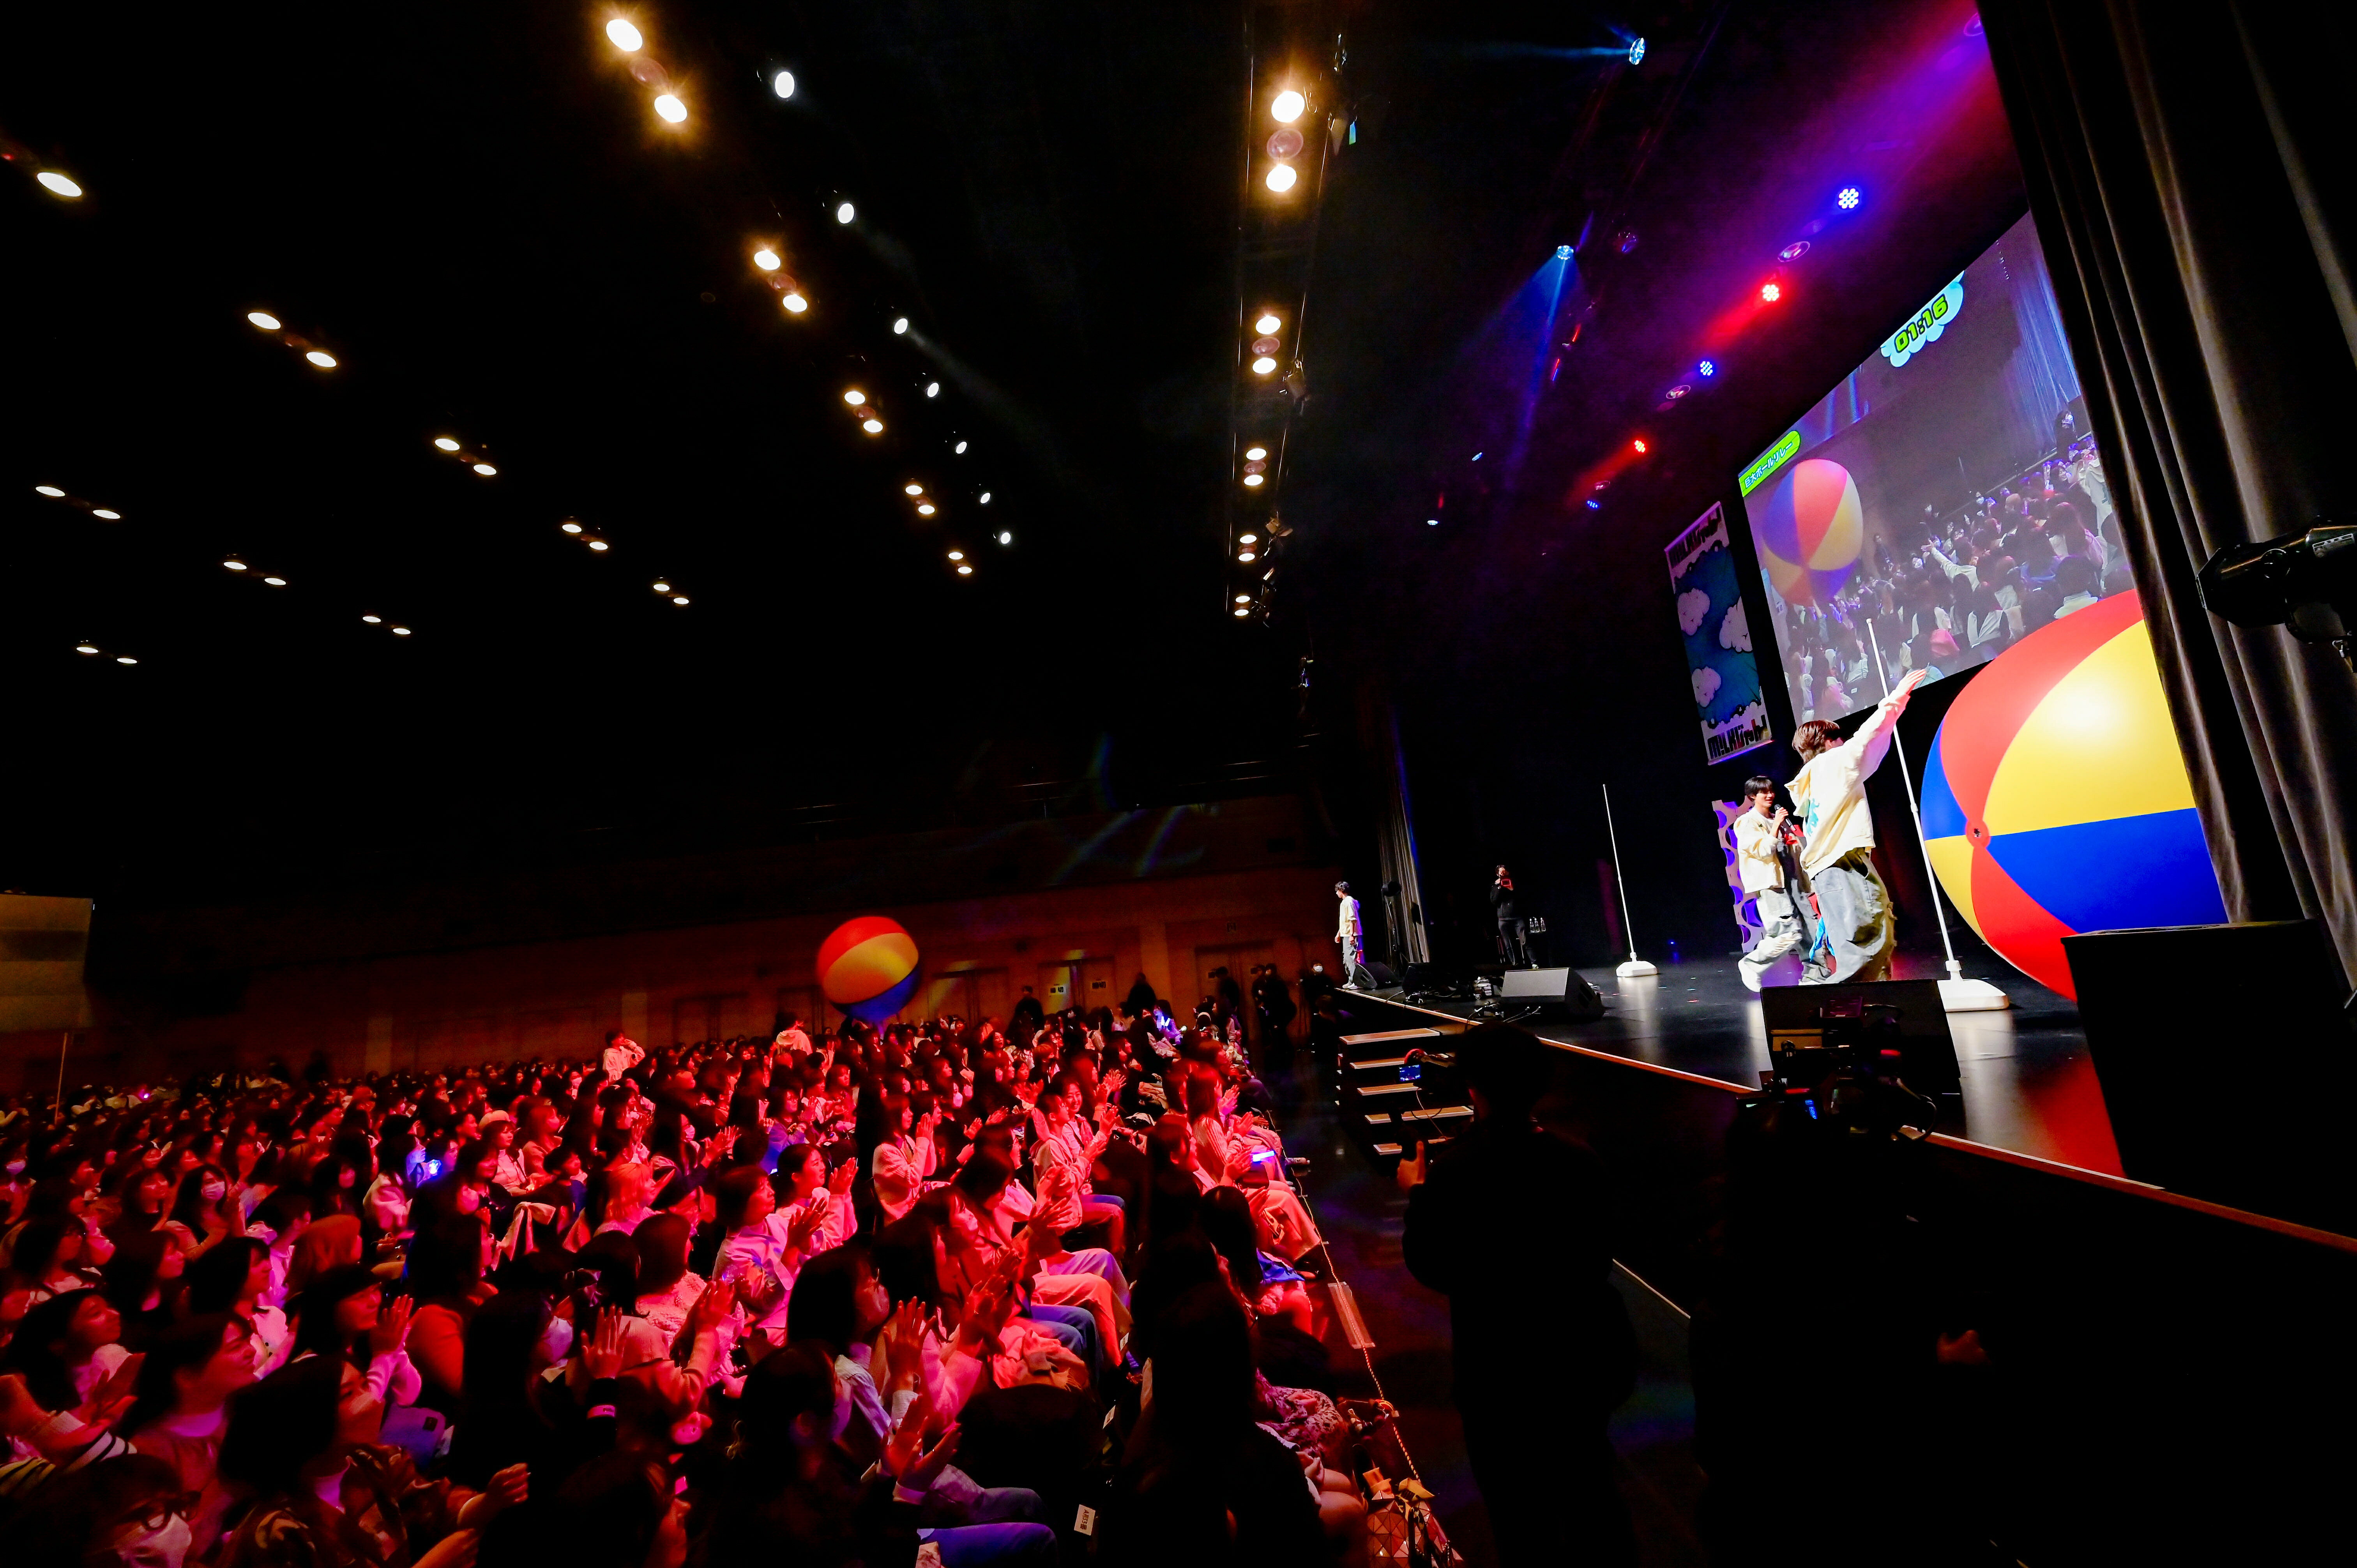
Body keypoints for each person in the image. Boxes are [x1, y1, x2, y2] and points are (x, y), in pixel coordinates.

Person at [1399, 1026, 1635, 1566]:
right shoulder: (1581, 1160)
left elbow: (1433, 1265)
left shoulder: (1455, 1169)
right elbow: (1598, 1256)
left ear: (1474, 1088)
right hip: (1578, 1362)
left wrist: (1417, 1195)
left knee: (1520, 1518)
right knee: (1591, 1498)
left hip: (1498, 1373)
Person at [1786, 667, 1931, 984]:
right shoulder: (1833, 762)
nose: (1843, 742)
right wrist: (1897, 698)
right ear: (1827, 742)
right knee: (1870, 936)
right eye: (1838, 738)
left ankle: (1868, 1004)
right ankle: (1840, 1000)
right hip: (1843, 862)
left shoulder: (1810, 778)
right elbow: (1867, 738)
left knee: (1851, 941)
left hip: (1825, 869)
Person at [1733, 777, 1808, 992]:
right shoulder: (1747, 822)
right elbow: (1763, 851)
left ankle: (1815, 976)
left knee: (1806, 932)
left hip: (1793, 881)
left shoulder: (1777, 819)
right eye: (1763, 792)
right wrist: (1775, 827)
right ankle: (1752, 964)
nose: (1770, 795)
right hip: (1771, 884)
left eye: (1771, 791)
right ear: (1752, 797)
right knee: (1787, 933)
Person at [1333, 882, 1375, 991]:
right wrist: (1339, 934)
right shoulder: (1344, 903)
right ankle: (1351, 980)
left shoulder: (1349, 902)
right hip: (1346, 934)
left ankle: (1358, 981)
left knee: (1353, 958)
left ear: (1341, 891)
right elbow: (1344, 922)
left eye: (1337, 891)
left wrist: (1352, 935)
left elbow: (1352, 919)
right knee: (1347, 959)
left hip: (1352, 935)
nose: (1337, 893)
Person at [1490, 865, 1528, 967]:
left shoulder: (1515, 882)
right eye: (1501, 872)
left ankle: (1533, 963)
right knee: (1509, 944)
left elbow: (1522, 897)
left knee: (1525, 940)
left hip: (1517, 917)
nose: (1503, 873)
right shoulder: (1495, 886)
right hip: (1503, 919)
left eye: (1505, 872)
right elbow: (1494, 901)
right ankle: (1515, 964)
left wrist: (1512, 888)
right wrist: (1499, 887)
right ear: (1498, 874)